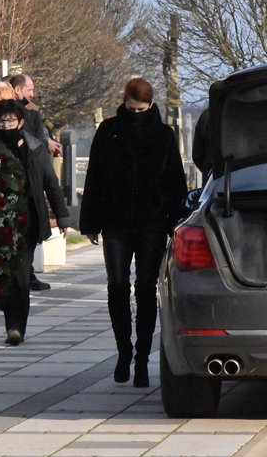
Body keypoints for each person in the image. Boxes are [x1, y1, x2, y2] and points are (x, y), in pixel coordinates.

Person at [78, 77, 187, 387]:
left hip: (151, 221)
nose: (136, 113)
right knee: (116, 286)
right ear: (123, 102)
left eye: (141, 108)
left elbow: (175, 181)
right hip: (115, 220)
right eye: (131, 108)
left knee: (145, 287)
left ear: (151, 105)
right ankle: (124, 350)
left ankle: (141, 356)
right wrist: (90, 221)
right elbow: (95, 177)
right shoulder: (109, 131)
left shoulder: (164, 135)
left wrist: (175, 221)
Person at [0, 99, 70, 346]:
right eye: (2, 120)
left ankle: (16, 327)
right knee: (4, 275)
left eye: (11, 120)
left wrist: (62, 215)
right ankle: (10, 319)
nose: (6, 125)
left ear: (21, 121)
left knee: (22, 276)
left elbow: (50, 182)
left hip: (27, 219)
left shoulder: (35, 148)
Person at [8, 72, 61, 291]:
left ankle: (26, 275)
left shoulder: (33, 114)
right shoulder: (21, 115)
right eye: (29, 90)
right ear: (18, 90)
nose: (33, 94)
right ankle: (23, 277)